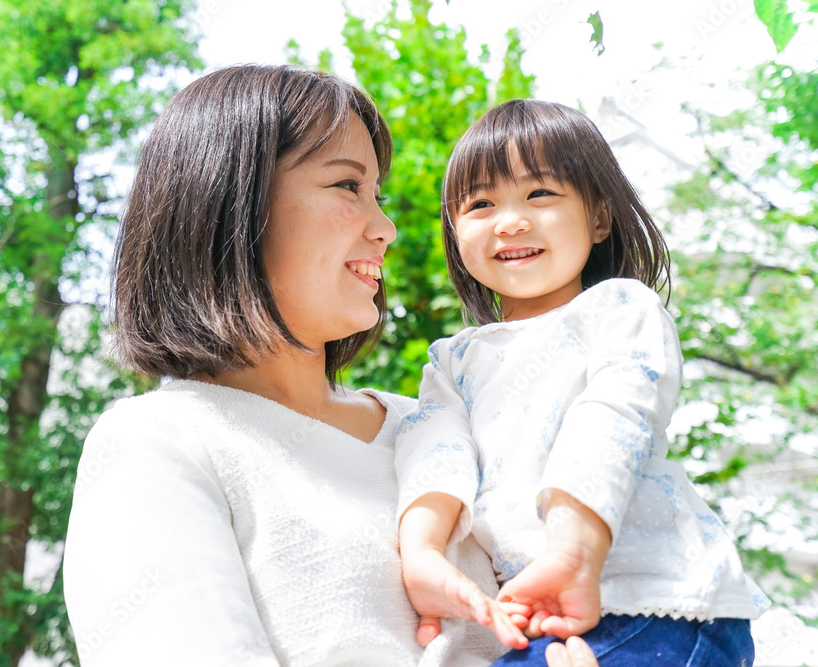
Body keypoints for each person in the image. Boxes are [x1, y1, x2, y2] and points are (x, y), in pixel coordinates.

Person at [63, 66, 601, 666]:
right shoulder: (159, 442)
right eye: (347, 186)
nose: (386, 229)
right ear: (229, 206)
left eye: (379, 196)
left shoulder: (434, 426)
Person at [395, 99, 770, 666]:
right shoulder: (454, 360)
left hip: (656, 602)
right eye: (480, 203)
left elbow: (615, 414)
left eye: (539, 194)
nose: (510, 220)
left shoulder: (620, 309)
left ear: (598, 217)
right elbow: (435, 452)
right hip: (554, 615)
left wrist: (574, 550)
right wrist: (421, 551)